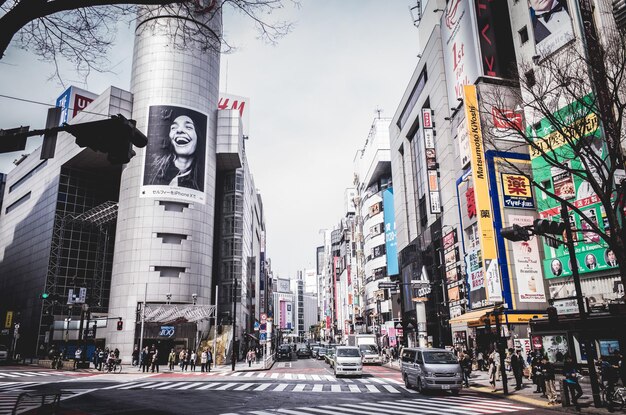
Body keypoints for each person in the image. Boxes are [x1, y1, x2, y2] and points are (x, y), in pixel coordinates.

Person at [148, 114, 203, 190]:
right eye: (174, 128)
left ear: (198, 136)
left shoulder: (202, 178)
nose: (179, 130)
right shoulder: (154, 168)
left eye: (188, 127)